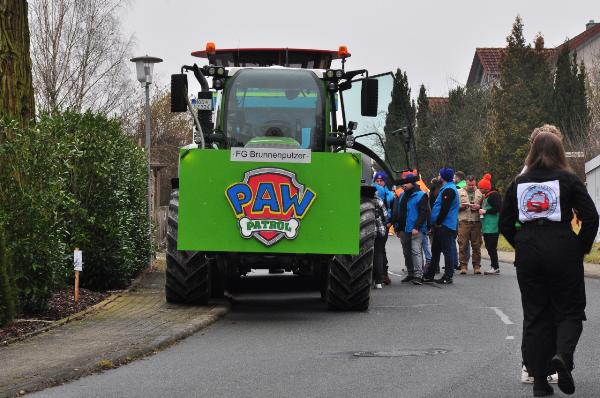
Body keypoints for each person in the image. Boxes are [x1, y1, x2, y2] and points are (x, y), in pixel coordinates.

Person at [499, 128, 599, 396]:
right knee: (570, 310)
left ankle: (540, 381)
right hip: (562, 247)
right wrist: (579, 248)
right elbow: (591, 217)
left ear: (531, 152)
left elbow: (504, 222)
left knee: (535, 315)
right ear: (560, 152)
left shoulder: (519, 182)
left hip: (529, 250)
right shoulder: (568, 179)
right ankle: (562, 357)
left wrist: (521, 242)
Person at [422, 167, 460, 284]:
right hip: (440, 226)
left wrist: (438, 222)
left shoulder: (449, 190)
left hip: (445, 226)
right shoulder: (446, 188)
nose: (438, 177)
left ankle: (448, 276)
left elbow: (445, 209)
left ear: (443, 177)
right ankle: (430, 274)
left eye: (439, 175)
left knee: (447, 251)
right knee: (435, 251)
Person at [392, 173, 430, 285]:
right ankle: (410, 273)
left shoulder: (421, 195)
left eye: (406, 183)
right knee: (406, 252)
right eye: (403, 183)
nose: (404, 185)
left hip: (415, 229)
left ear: (413, 183)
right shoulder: (402, 195)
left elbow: (424, 213)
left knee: (416, 251)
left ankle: (418, 275)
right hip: (404, 228)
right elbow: (400, 212)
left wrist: (417, 227)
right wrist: (397, 227)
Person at [457, 175, 484, 274]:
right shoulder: (459, 192)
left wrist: (479, 207)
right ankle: (463, 266)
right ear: (466, 183)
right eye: (469, 185)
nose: (471, 186)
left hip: (476, 222)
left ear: (475, 183)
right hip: (464, 222)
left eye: (473, 185)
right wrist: (461, 207)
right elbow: (454, 207)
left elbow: (484, 206)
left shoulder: (480, 193)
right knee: (462, 245)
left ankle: (477, 266)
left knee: (476, 245)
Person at [477, 174, 502, 275]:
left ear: (485, 188)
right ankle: (494, 266)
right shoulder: (487, 195)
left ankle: (495, 267)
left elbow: (498, 208)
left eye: (480, 188)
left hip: (493, 226)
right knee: (489, 246)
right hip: (488, 226)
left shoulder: (494, 195)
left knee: (491, 247)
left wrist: (485, 212)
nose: (479, 190)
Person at [373, 171, 395, 284]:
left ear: (385, 182)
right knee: (377, 250)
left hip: (384, 224)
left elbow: (394, 210)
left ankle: (382, 274)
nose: (379, 183)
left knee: (380, 249)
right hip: (372, 224)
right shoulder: (371, 192)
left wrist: (390, 222)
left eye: (381, 181)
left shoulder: (390, 195)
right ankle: (377, 274)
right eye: (377, 181)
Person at [372, 191, 389, 289]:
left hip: (365, 232)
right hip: (379, 231)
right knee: (378, 254)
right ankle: (378, 281)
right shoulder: (378, 200)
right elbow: (386, 217)